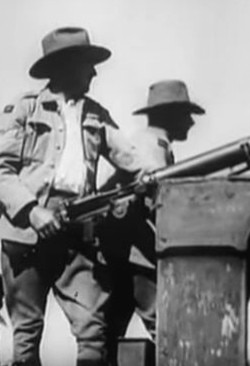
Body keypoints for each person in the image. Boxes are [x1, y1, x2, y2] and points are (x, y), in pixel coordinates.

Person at [0, 27, 154, 366]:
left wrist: (149, 179)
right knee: (26, 335)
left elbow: (134, 161)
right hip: (26, 234)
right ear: (67, 65)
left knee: (93, 333)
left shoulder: (96, 115)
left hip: (78, 233)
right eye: (88, 64)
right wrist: (32, 211)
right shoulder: (26, 110)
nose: (94, 72)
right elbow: (2, 171)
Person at [99, 80, 205, 364]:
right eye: (186, 114)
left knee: (108, 333)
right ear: (169, 115)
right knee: (168, 325)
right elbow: (156, 200)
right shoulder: (151, 146)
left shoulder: (151, 142)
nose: (192, 123)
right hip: (136, 254)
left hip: (125, 252)